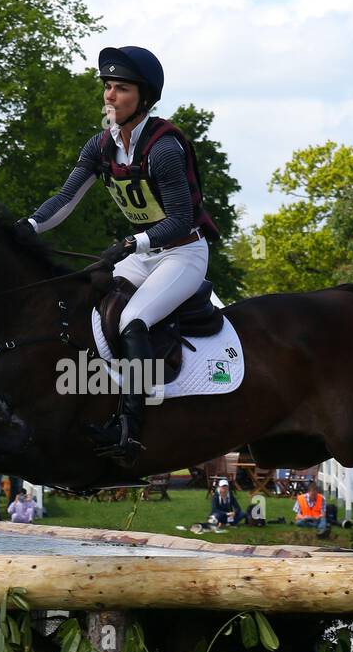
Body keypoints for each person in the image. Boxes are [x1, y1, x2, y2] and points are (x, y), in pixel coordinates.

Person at [16, 45, 219, 467]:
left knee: (132, 320)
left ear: (143, 99)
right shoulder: (101, 145)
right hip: (144, 254)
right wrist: (29, 227)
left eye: (121, 89)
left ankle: (133, 429)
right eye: (108, 87)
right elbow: (67, 198)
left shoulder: (163, 148)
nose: (109, 96)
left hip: (182, 255)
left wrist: (131, 243)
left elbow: (180, 220)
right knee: (85, 301)